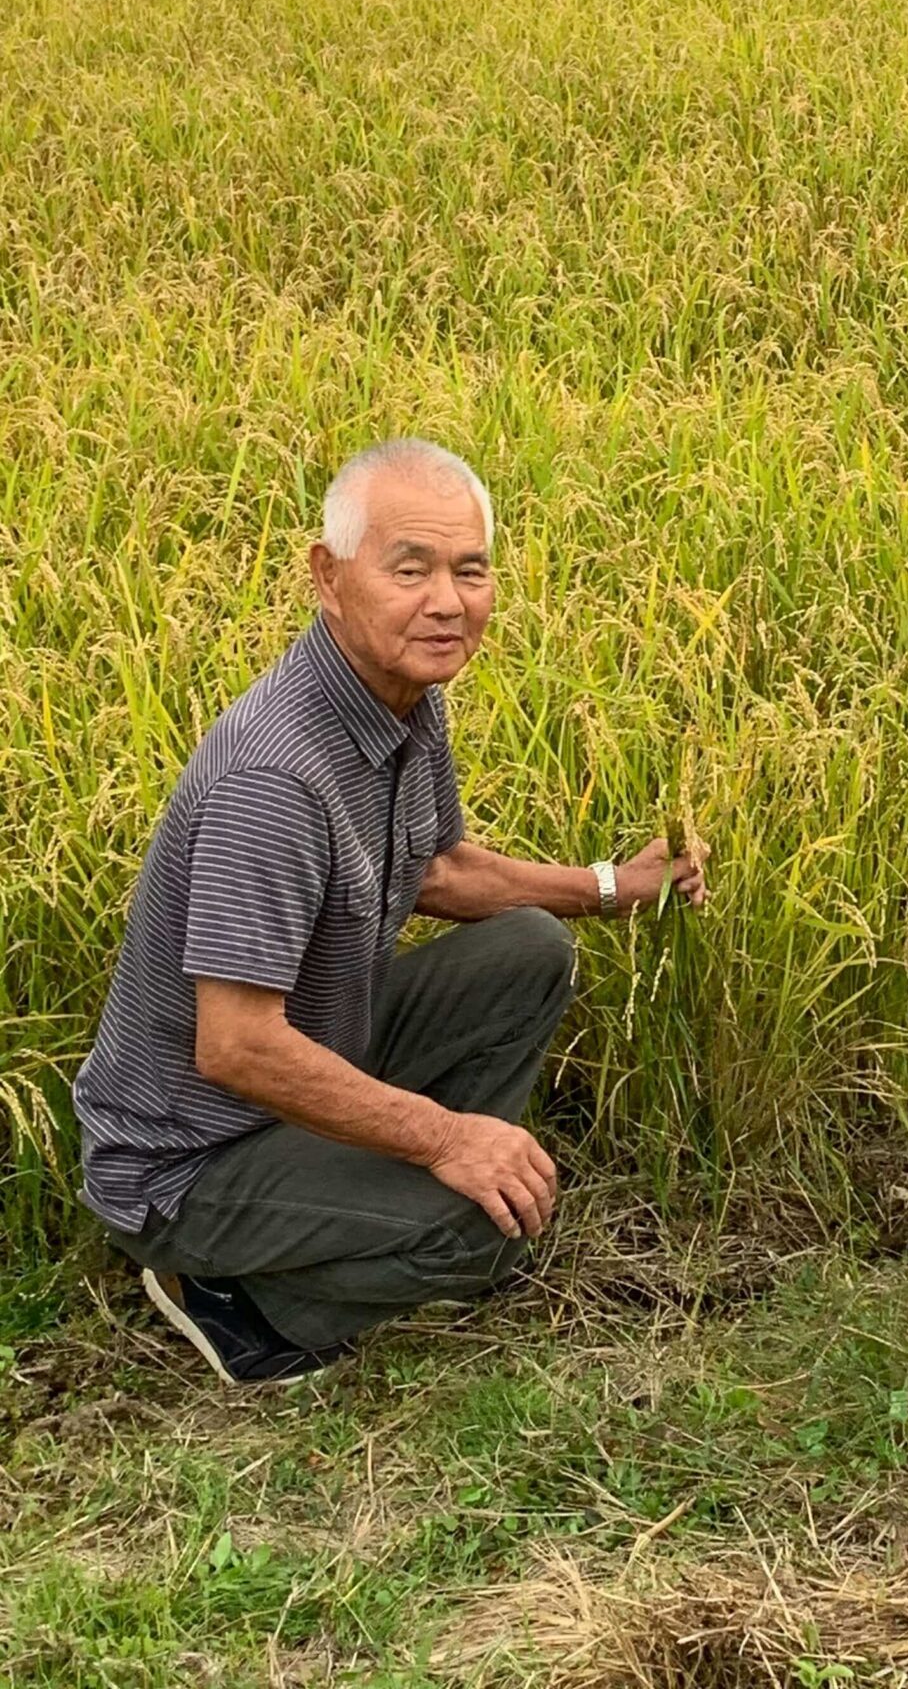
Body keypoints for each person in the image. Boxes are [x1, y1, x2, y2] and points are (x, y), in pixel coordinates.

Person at [74, 438, 707, 1385]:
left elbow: (440, 870)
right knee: (476, 1232)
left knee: (528, 949)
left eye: (471, 571)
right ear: (329, 578)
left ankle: (438, 1206)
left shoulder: (402, 699)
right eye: (410, 569)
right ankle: (226, 1288)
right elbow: (235, 1047)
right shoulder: (275, 776)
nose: (448, 601)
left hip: (317, 1062)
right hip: (193, 1159)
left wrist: (612, 887)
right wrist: (447, 1138)